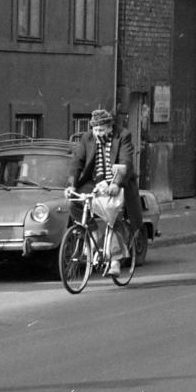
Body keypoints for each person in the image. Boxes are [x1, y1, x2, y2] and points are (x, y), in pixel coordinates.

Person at [71, 108, 142, 270]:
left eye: (101, 130)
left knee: (114, 214)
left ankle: (115, 261)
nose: (97, 133)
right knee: (74, 201)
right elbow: (77, 162)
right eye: (95, 130)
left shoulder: (123, 135)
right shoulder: (87, 138)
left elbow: (126, 162)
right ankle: (94, 233)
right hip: (95, 181)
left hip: (119, 180)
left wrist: (116, 183)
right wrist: (71, 185)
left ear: (110, 127)